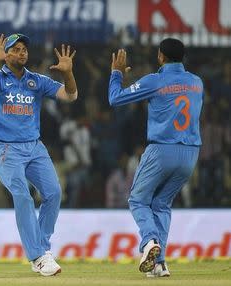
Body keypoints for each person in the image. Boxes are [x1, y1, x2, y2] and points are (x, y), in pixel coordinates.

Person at [0, 34, 78, 276]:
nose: (22, 53)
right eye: (16, 49)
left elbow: (71, 96)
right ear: (5, 54)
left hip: (34, 146)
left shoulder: (36, 80)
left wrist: (68, 74)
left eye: (24, 50)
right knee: (22, 195)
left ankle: (42, 247)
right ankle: (38, 256)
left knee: (53, 193)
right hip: (5, 147)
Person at [108, 38, 203, 277]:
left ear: (160, 56)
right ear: (183, 57)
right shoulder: (196, 83)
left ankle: (149, 241)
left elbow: (115, 98)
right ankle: (159, 264)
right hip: (190, 153)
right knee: (161, 204)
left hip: (162, 149)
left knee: (138, 200)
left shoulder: (155, 80)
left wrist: (117, 74)